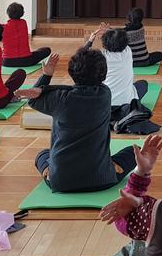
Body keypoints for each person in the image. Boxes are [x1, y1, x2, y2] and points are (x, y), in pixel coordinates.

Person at [16, 50, 136, 192]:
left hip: (62, 182)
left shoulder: (59, 98)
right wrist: (45, 89)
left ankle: (48, 173)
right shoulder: (105, 93)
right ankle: (111, 165)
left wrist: (46, 78)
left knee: (42, 155)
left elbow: (33, 99)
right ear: (103, 73)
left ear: (72, 72)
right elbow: (79, 90)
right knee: (136, 151)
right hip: (102, 179)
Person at [85, 22, 148, 109]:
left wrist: (90, 40)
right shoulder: (128, 52)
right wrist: (110, 30)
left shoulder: (101, 57)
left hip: (105, 105)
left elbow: (82, 55)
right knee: (143, 84)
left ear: (105, 43)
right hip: (127, 105)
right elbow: (121, 38)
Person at [0, 2, 51, 67]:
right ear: (22, 13)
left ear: (8, 14)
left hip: (7, 62)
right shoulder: (24, 23)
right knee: (46, 50)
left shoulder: (3, 27)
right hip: (26, 61)